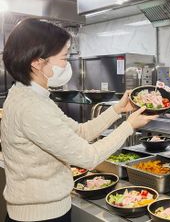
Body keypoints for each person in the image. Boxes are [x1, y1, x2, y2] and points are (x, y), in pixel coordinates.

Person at [1, 18, 157, 222]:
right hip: (41, 217)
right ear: (37, 62)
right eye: (64, 58)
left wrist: (118, 109)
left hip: (44, 211)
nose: (67, 65)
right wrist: (129, 126)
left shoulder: (30, 96)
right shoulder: (31, 107)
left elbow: (80, 133)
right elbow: (88, 157)